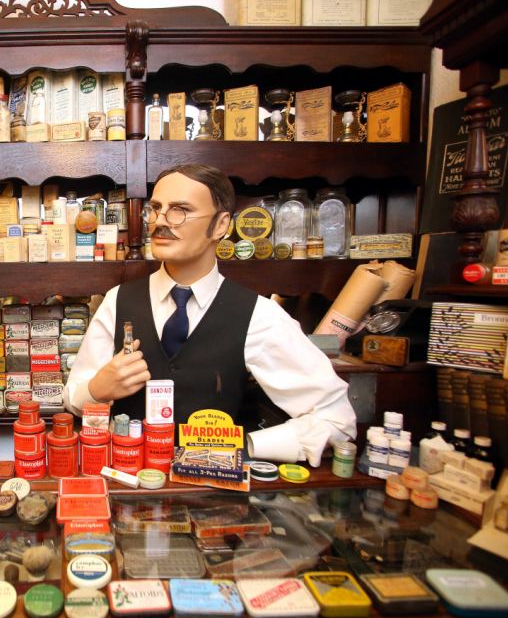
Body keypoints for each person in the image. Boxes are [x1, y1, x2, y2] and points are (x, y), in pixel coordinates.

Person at [64, 164, 356, 466]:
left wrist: (247, 446)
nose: (161, 222)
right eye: (156, 209)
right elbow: (72, 397)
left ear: (220, 225)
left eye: (180, 210)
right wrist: (97, 390)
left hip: (214, 496)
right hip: (129, 481)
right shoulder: (118, 301)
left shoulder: (259, 315)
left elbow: (336, 419)